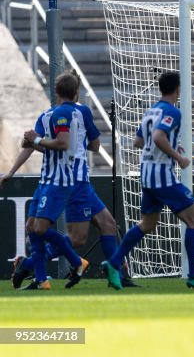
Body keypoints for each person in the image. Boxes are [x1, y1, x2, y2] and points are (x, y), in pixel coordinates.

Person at [103, 71, 194, 290]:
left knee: (147, 223)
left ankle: (113, 261)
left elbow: (139, 142)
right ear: (178, 88)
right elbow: (158, 137)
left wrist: (169, 146)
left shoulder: (151, 110)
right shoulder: (172, 112)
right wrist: (179, 157)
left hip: (146, 174)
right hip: (162, 175)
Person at [4, 96, 138, 289]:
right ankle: (31, 265)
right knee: (76, 238)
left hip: (80, 181)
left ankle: (116, 274)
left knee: (108, 224)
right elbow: (95, 145)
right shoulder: (80, 112)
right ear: (76, 93)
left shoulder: (49, 116)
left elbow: (33, 145)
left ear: (57, 95)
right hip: (73, 181)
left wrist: (12, 171)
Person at [11, 73, 90, 290]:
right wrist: (33, 141)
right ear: (75, 92)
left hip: (60, 179)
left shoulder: (65, 113)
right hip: (46, 179)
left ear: (55, 92)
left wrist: (35, 139)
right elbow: (47, 148)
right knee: (31, 226)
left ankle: (76, 262)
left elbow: (63, 145)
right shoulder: (52, 115)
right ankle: (41, 279)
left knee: (39, 228)